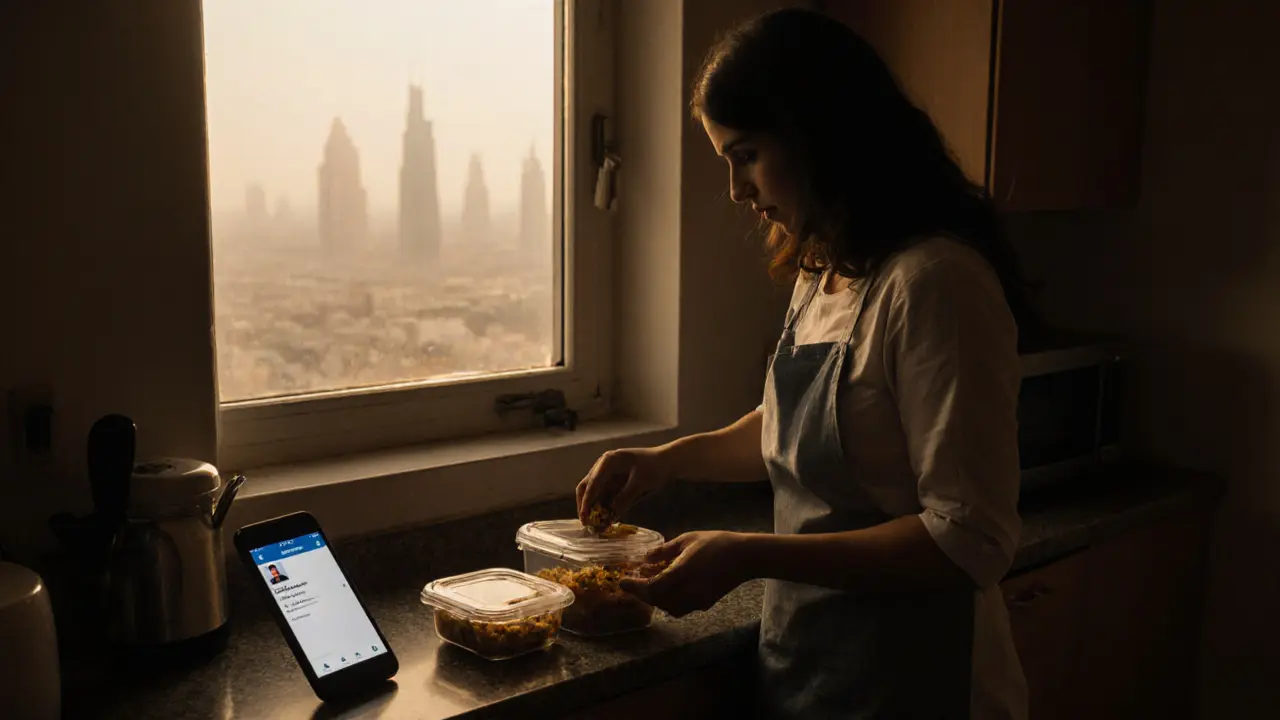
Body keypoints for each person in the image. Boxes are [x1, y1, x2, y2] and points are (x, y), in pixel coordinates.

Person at [576, 8, 1030, 719]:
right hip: (813, 669)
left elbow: (968, 539)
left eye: (747, 155)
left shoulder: (934, 283)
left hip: (922, 680)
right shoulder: (823, 271)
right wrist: (668, 459)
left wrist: (749, 553)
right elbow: (801, 425)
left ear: (822, 133)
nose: (736, 190)